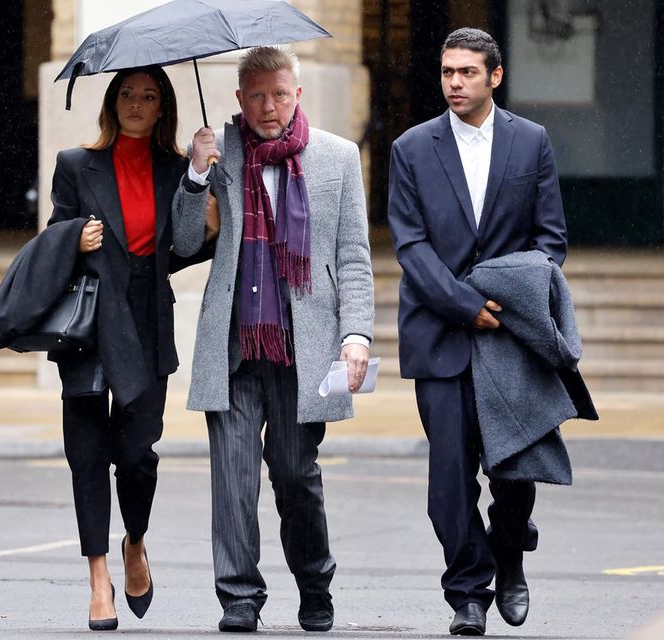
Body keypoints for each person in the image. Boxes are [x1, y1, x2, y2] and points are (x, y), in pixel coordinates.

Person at [171, 46, 374, 633]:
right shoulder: (220, 151)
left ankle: (315, 581)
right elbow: (185, 245)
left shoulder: (337, 158)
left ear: (298, 94)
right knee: (232, 481)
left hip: (302, 348)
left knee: (294, 475)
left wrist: (356, 334)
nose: (268, 106)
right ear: (239, 98)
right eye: (256, 95)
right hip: (234, 346)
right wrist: (195, 175)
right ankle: (239, 598)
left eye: (279, 94)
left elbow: (354, 259)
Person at [386, 28, 569, 636]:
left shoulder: (531, 141)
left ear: (495, 76)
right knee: (449, 480)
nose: (455, 82)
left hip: (510, 337)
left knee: (513, 469)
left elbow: (550, 241)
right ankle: (467, 592)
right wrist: (465, 305)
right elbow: (409, 246)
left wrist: (516, 302)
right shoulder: (411, 148)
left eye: (467, 72)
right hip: (440, 332)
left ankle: (510, 553)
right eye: (446, 72)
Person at [46, 65, 211, 631]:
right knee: (87, 451)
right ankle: (98, 579)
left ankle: (135, 541)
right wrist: (75, 236)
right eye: (126, 94)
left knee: (137, 453)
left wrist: (200, 180)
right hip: (89, 323)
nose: (136, 104)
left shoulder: (174, 169)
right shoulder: (75, 164)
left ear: (162, 107)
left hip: (144, 319)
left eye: (148, 96)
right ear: (111, 102)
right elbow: (51, 240)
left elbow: (185, 248)